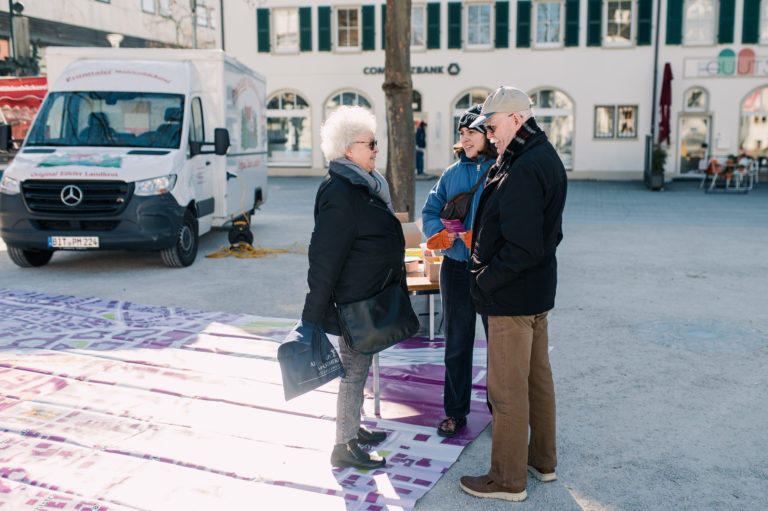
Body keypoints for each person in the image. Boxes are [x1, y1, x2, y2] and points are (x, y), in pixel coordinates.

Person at [460, 86, 567, 502]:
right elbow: (547, 234)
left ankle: (507, 479)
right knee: (537, 382)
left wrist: (483, 280)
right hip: (534, 294)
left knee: (507, 391)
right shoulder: (541, 155)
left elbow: (524, 246)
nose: (489, 134)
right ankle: (542, 462)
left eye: (492, 125)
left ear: (517, 119)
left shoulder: (523, 165)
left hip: (511, 297)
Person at [300, 106, 406, 470]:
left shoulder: (362, 183)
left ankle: (354, 429)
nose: (377, 149)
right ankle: (343, 445)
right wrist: (312, 315)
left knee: (360, 367)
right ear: (349, 149)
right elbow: (324, 257)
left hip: (369, 294)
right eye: (370, 143)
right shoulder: (340, 192)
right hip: (354, 300)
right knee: (353, 371)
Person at [421, 105, 497, 438]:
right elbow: (430, 212)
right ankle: (455, 412)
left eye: (472, 133)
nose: (465, 139)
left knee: (499, 343)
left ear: (487, 135)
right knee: (457, 342)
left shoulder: (500, 169)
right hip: (454, 268)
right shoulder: (451, 174)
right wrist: (442, 232)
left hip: (491, 269)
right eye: (462, 134)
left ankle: (501, 409)